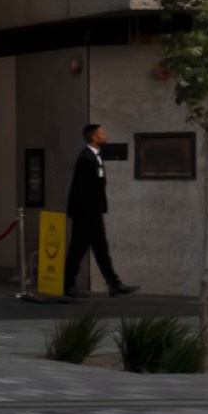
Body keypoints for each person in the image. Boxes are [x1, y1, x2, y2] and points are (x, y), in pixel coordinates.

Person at [63, 123, 133, 298]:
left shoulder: (96, 157)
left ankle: (113, 284)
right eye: (101, 133)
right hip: (86, 213)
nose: (105, 135)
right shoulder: (86, 158)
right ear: (93, 137)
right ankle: (68, 285)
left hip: (93, 212)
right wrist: (88, 211)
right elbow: (82, 188)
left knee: (100, 248)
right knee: (78, 249)